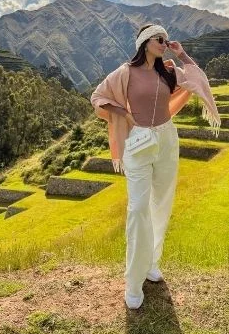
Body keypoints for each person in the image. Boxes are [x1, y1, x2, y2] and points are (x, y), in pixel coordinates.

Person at [90, 24, 220, 310]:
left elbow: (198, 78)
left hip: (166, 139)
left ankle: (151, 262)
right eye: (160, 40)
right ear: (145, 43)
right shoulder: (125, 72)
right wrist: (123, 112)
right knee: (138, 208)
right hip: (138, 142)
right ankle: (133, 281)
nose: (165, 43)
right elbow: (98, 97)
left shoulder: (168, 71)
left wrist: (183, 54)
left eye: (165, 39)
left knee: (161, 202)